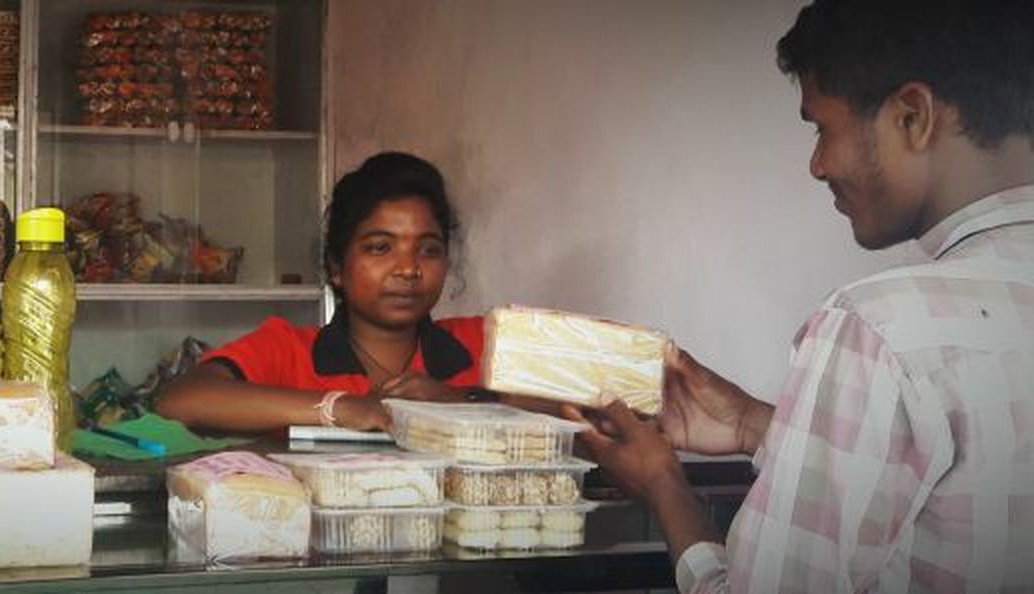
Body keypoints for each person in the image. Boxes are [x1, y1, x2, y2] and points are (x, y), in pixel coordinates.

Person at [569, 1, 1034, 592]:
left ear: (913, 116)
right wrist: (750, 423)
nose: (817, 165)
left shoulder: (875, 329)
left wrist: (665, 485)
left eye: (821, 128)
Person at [156, 152, 487, 433]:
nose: (409, 269)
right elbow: (180, 400)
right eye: (380, 247)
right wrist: (344, 408)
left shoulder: (483, 342)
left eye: (429, 250)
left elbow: (540, 402)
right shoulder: (289, 350)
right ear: (336, 268)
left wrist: (457, 400)